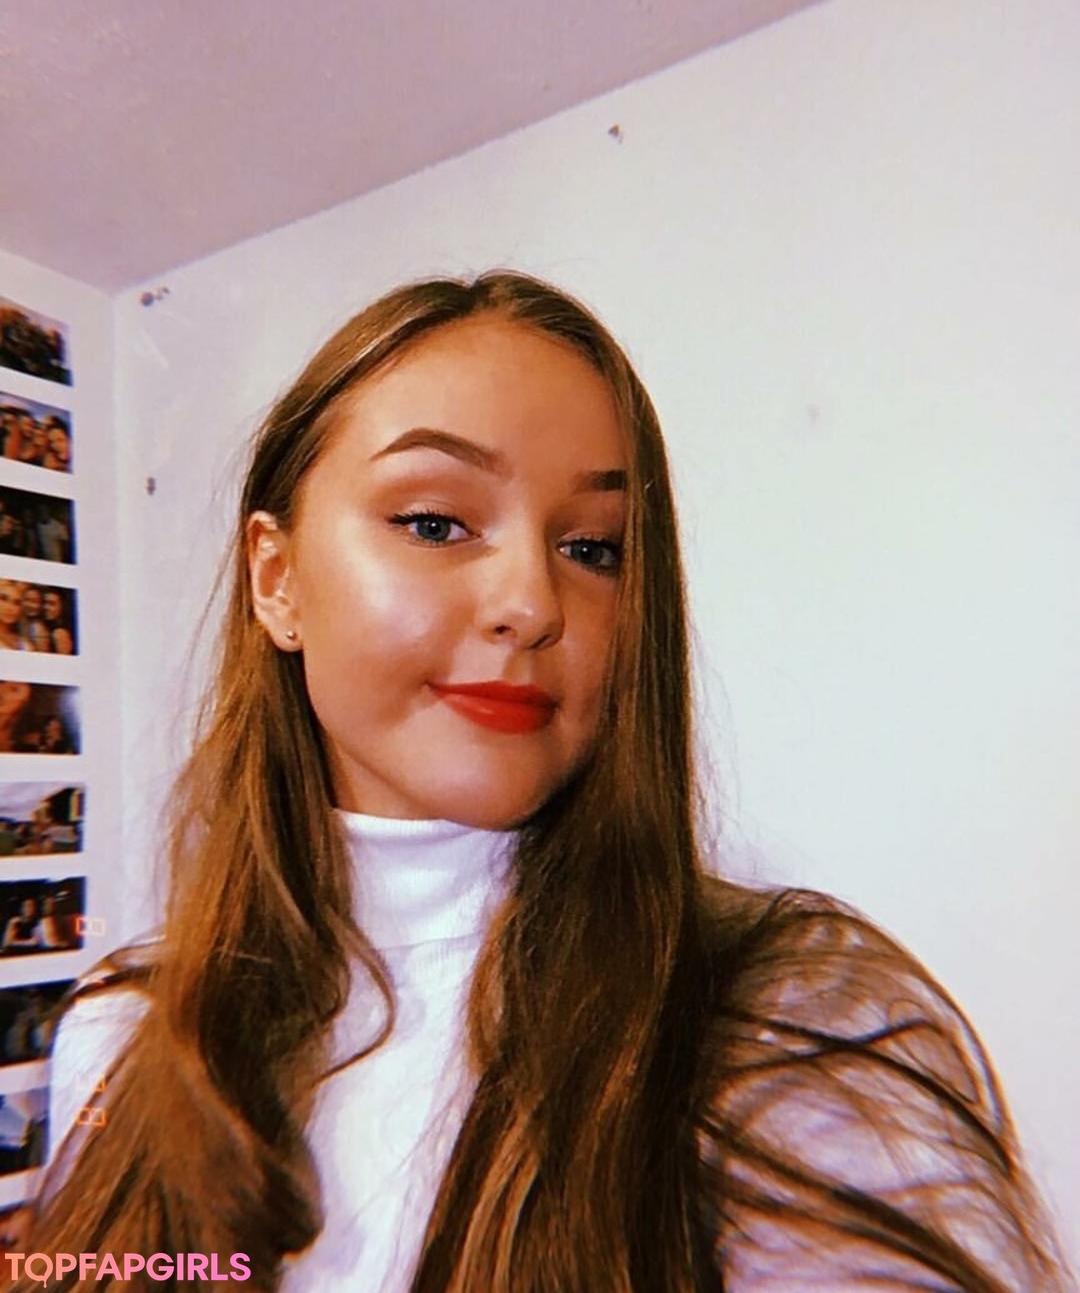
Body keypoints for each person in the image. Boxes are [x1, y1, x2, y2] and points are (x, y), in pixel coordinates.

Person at [31, 273, 1072, 1291]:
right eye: (435, 523)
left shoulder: (785, 1023)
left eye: (592, 549)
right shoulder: (124, 1032)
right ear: (277, 578)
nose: (532, 602)